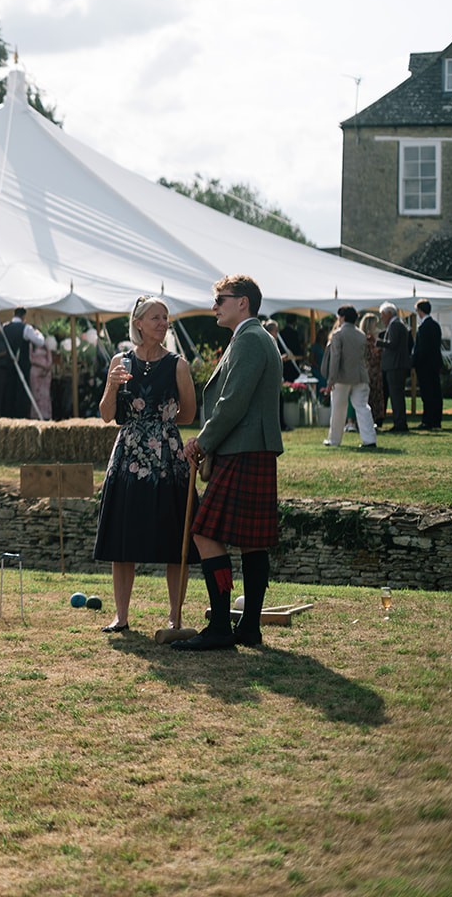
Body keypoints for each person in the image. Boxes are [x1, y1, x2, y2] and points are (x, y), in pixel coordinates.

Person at [174, 274, 283, 651]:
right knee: (253, 544)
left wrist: (202, 442)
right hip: (250, 448)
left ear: (244, 303)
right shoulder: (251, 338)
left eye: (221, 298)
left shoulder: (251, 339)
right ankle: (248, 627)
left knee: (204, 532)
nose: (214, 306)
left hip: (243, 448)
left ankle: (221, 626)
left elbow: (233, 402)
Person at [93, 297, 197, 633]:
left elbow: (190, 413)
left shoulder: (178, 365)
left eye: (165, 318)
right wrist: (111, 385)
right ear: (138, 322)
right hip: (127, 455)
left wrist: (160, 425)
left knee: (173, 537)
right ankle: (121, 616)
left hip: (166, 456)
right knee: (123, 539)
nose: (163, 323)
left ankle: (174, 616)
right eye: (156, 317)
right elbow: (108, 415)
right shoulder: (119, 362)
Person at [322, 306, 378, 450]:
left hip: (342, 377)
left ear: (343, 317)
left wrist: (330, 380)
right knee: (363, 407)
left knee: (338, 409)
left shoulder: (337, 334)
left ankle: (334, 440)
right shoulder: (361, 335)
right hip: (360, 375)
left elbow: (335, 359)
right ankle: (369, 439)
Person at [0, 307, 45, 418]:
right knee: (21, 393)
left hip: (7, 365)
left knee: (9, 393)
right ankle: (21, 415)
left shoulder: (5, 327)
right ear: (24, 316)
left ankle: (8, 416)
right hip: (22, 364)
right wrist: (38, 332)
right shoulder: (26, 328)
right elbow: (40, 342)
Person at [377, 302, 412, 434]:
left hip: (395, 366)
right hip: (396, 365)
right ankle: (399, 422)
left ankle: (400, 423)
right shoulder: (397, 325)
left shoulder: (395, 325)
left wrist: (378, 342)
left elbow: (393, 344)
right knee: (397, 395)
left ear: (389, 313)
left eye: (382, 315)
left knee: (396, 396)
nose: (381, 318)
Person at [412, 299, 444, 429]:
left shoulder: (424, 327)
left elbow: (422, 349)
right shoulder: (435, 325)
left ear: (420, 311)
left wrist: (415, 362)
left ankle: (428, 420)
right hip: (435, 364)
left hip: (425, 366)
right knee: (436, 392)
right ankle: (436, 420)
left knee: (427, 393)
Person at [359, 310, 386, 428]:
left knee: (376, 394)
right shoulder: (367, 340)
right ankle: (373, 418)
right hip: (371, 370)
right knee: (373, 394)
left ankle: (376, 418)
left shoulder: (369, 339)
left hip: (375, 370)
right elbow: (372, 355)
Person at [29, 338, 54, 421]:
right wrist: (42, 365)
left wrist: (47, 367)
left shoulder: (45, 345)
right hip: (35, 372)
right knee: (36, 394)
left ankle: (46, 415)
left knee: (45, 394)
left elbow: (50, 358)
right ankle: (36, 414)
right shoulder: (31, 346)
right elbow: (31, 358)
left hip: (46, 373)